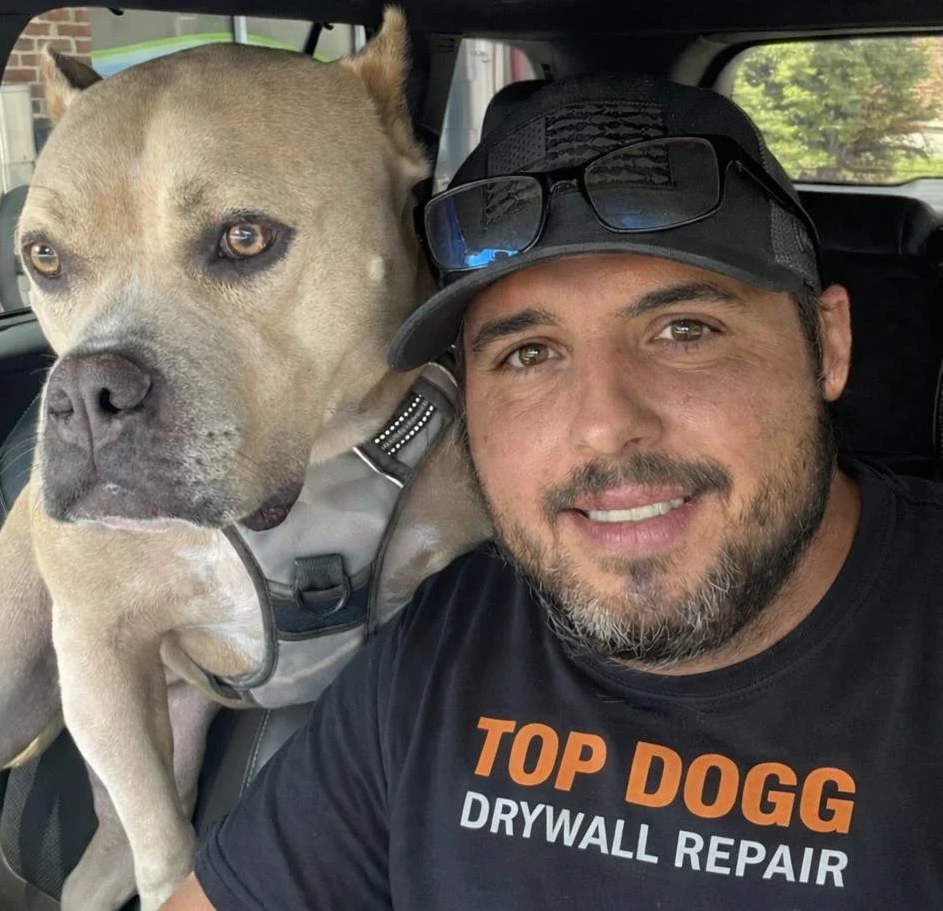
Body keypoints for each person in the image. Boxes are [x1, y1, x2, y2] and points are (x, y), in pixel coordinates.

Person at [165, 74, 943, 909]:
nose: (605, 426)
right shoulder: (447, 644)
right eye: (528, 354)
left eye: (684, 331)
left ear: (826, 345)